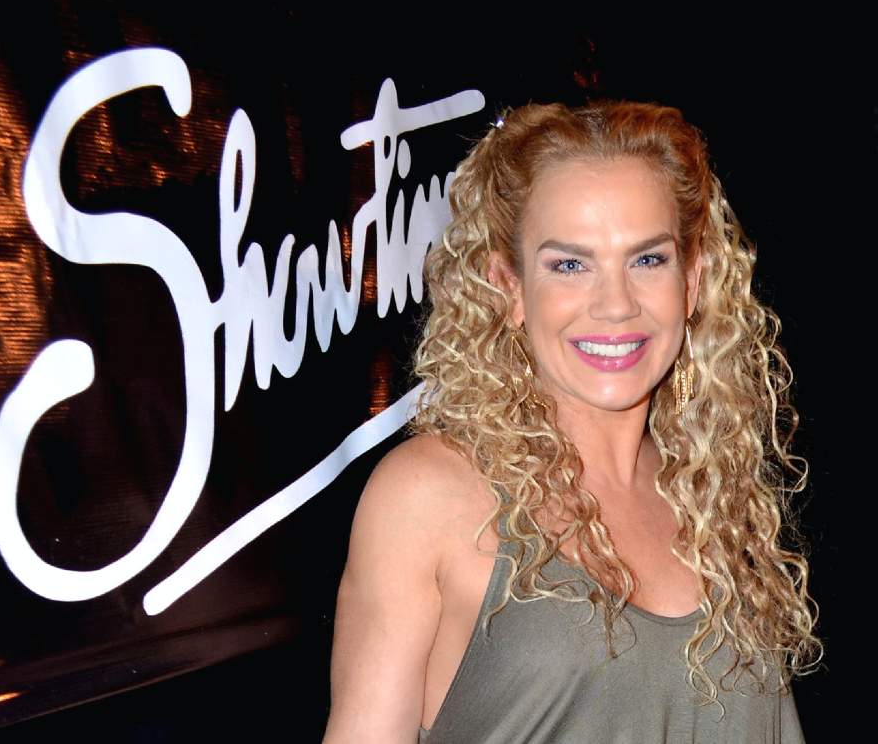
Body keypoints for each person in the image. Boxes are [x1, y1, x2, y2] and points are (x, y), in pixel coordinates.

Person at [322, 100, 822, 743]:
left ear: (693, 281)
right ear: (508, 288)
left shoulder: (714, 499)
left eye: (648, 260)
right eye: (569, 265)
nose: (616, 305)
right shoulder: (430, 494)